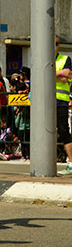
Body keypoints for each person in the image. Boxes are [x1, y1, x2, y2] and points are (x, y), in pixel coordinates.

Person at [55, 36, 72, 175]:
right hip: (44, 101)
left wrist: (49, 74)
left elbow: (67, 77)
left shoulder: (65, 59)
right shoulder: (42, 57)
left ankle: (71, 163)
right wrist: (60, 73)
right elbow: (39, 75)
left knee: (63, 130)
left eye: (56, 44)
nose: (54, 46)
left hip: (61, 100)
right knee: (44, 131)